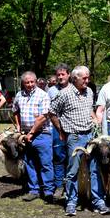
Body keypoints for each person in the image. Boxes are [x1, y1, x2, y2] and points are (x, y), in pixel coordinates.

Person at [48, 65, 110, 216]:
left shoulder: (89, 92)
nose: (87, 81)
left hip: (90, 136)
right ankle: (71, 202)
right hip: (74, 137)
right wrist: (61, 131)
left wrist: (95, 120)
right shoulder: (64, 94)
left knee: (94, 169)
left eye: (88, 78)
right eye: (84, 78)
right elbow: (52, 112)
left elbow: (89, 109)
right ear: (75, 78)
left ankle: (98, 201)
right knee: (73, 171)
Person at [13, 71, 54, 202]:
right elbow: (15, 111)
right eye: (27, 82)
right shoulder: (19, 95)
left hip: (42, 134)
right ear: (23, 83)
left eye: (32, 82)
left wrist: (31, 132)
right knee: (29, 163)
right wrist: (18, 126)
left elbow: (43, 117)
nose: (30, 84)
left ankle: (48, 191)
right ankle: (33, 190)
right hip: (25, 135)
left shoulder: (43, 95)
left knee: (45, 163)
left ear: (36, 81)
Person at [48, 63, 71, 198]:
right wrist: (59, 129)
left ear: (68, 75)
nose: (61, 77)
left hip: (73, 128)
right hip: (57, 129)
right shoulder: (51, 91)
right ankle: (59, 186)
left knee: (72, 157)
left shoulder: (75, 88)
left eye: (63, 74)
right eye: (58, 75)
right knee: (58, 157)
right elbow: (50, 112)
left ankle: (71, 185)